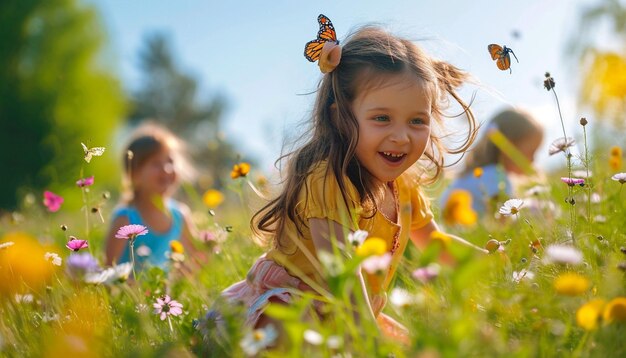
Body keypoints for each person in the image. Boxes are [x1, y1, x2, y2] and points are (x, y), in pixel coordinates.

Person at [218, 24, 486, 343]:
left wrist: (487, 261)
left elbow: (434, 242)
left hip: (348, 313)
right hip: (289, 305)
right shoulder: (328, 180)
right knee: (297, 336)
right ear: (340, 118)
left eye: (417, 121)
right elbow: (342, 271)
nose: (401, 136)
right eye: (382, 118)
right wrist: (369, 340)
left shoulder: (405, 186)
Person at [105, 122, 198, 272]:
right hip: (130, 294)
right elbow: (109, 270)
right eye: (156, 163)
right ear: (134, 174)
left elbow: (196, 260)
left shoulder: (180, 215)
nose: (166, 169)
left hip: (166, 294)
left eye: (170, 161)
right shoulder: (126, 218)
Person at [440, 108, 544, 217]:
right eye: (532, 152)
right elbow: (507, 220)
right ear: (508, 147)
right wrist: (537, 212)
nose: (533, 160)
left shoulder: (480, 174)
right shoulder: (495, 177)